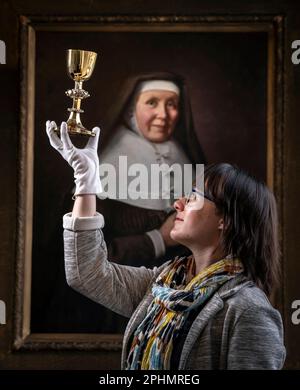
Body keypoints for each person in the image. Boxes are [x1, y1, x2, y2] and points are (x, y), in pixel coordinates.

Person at [46, 122, 285, 369]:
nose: (178, 204)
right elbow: (87, 273)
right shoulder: (163, 284)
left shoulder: (249, 311)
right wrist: (86, 183)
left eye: (193, 198)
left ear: (225, 220)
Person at [42, 73, 205, 333]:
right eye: (152, 102)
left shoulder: (188, 158)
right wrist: (158, 239)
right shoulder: (107, 161)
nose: (163, 114)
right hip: (110, 307)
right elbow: (89, 259)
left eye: (172, 104)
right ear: (131, 108)